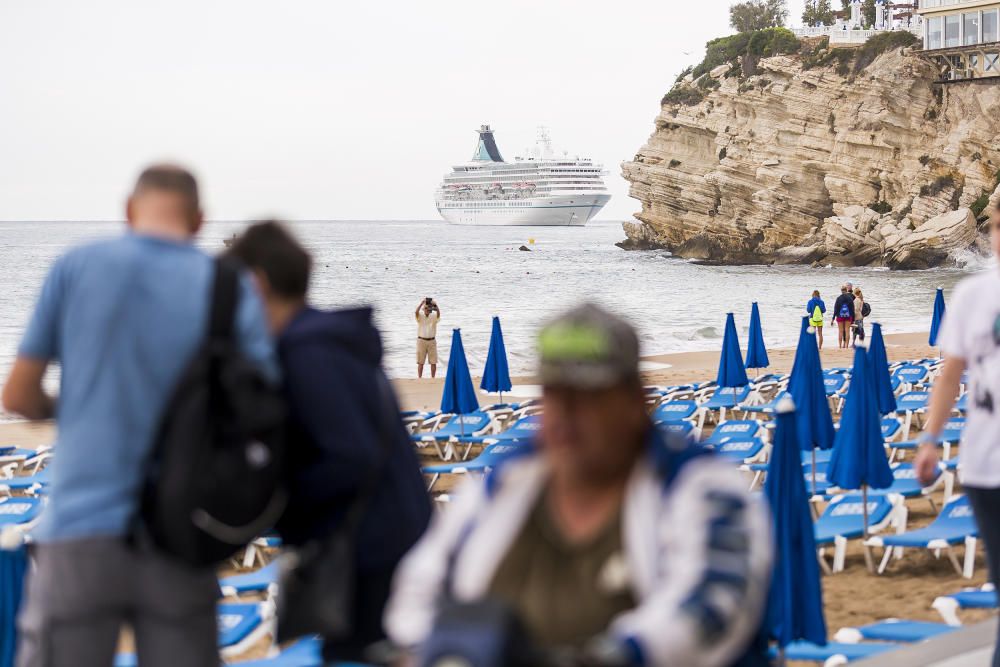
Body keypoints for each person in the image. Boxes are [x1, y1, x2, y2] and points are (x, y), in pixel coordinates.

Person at [385, 303, 772, 666]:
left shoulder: (700, 486)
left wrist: (616, 654)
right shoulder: (507, 483)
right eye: (556, 394)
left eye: (589, 397)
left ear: (636, 401)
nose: (568, 415)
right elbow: (420, 586)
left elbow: (710, 602)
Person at [1, 165, 276, 667]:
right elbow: (263, 407)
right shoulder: (226, 287)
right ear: (198, 221)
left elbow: (17, 395)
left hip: (79, 530)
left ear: (129, 211)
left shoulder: (76, 266)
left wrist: (73, 408)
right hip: (180, 531)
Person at [227, 221, 431, 661]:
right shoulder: (334, 343)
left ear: (256, 284)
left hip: (371, 555)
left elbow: (347, 456)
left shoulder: (308, 353)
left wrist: (282, 507)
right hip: (397, 538)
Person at [916, 209, 1000, 666]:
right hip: (986, 465)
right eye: (996, 228)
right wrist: (929, 440)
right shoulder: (973, 296)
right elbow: (950, 375)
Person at [415, 297, 441, 378]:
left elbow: (439, 314)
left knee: (433, 361)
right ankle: (419, 378)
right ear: (423, 309)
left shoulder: (433, 316)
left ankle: (433, 378)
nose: (427, 309)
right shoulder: (420, 316)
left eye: (428, 308)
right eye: (425, 308)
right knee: (420, 362)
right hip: (421, 340)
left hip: (432, 341)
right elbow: (416, 312)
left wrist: (435, 305)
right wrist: (422, 303)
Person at [831, 285, 855, 349]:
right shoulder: (850, 298)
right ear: (846, 290)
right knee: (847, 331)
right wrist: (853, 319)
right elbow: (852, 309)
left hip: (839, 316)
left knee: (840, 331)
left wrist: (833, 319)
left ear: (841, 291)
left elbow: (835, 309)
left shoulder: (838, 298)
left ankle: (840, 346)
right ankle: (846, 346)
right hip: (848, 316)